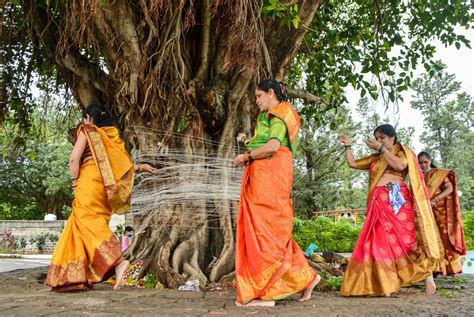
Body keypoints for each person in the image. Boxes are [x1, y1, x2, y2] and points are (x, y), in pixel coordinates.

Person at [233, 79, 319, 307]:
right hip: (264, 176)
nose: (257, 101)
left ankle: (268, 292)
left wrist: (247, 156)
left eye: (259, 96)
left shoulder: (279, 114)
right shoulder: (267, 117)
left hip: (272, 177)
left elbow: (272, 147)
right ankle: (307, 277)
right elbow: (265, 142)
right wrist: (248, 143)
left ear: (271, 93)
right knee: (268, 231)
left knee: (266, 231)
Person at [338, 124, 444, 297]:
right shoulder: (376, 157)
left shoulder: (403, 152)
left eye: (382, 138)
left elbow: (400, 166)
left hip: (397, 202)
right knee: (380, 243)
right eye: (377, 138)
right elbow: (352, 163)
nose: (379, 141)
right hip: (378, 202)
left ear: (392, 137)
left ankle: (426, 274)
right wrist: (348, 145)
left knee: (406, 240)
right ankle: (386, 283)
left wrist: (381, 149)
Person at [46, 103, 134, 292]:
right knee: (81, 225)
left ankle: (118, 262)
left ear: (88, 118)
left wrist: (75, 183)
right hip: (103, 186)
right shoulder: (111, 137)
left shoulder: (88, 130)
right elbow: (121, 165)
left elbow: (73, 159)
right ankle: (78, 276)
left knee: (88, 222)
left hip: (88, 182)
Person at [418, 151, 466, 276]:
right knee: (429, 240)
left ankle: (451, 269)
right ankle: (434, 269)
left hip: (440, 211)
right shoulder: (417, 177)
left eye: (425, 162)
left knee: (445, 238)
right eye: (420, 163)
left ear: (430, 161)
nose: (423, 165)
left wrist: (434, 200)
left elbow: (450, 188)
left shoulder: (438, 173)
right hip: (425, 212)